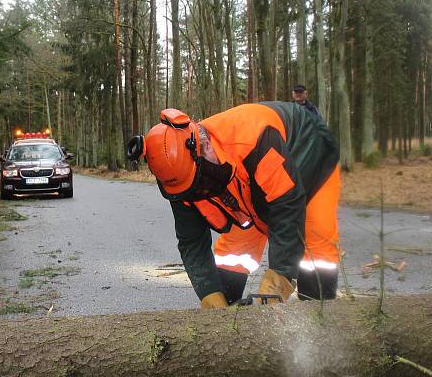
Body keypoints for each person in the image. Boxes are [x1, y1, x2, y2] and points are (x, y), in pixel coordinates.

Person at [126, 102, 340, 309]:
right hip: (247, 180)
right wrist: (210, 294)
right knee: (234, 252)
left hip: (307, 149)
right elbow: (191, 242)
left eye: (197, 181)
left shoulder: (255, 139)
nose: (196, 190)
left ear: (205, 146)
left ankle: (317, 316)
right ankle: (228, 315)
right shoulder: (177, 177)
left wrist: (279, 277)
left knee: (314, 240)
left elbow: (287, 206)